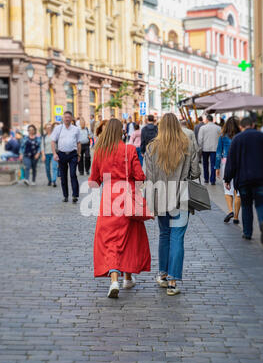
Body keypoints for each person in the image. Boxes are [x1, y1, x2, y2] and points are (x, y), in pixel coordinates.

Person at [88, 118, 151, 298]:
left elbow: (94, 181)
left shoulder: (100, 151)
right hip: (127, 198)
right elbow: (139, 176)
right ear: (121, 132)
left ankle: (114, 279)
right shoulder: (129, 149)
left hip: (109, 199)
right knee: (129, 238)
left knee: (110, 240)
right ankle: (127, 278)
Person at [145, 113, 200, 296]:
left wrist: (150, 205)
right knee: (177, 236)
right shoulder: (187, 145)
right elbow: (195, 172)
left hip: (160, 196)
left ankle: (162, 274)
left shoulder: (151, 147)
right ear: (178, 126)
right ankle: (173, 282)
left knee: (164, 235)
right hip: (180, 196)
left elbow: (150, 179)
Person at [224, 117, 263, 244]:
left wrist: (227, 178)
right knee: (261, 203)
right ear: (253, 124)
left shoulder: (236, 139)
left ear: (241, 127)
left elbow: (231, 162)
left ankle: (247, 233)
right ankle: (262, 222)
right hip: (262, 178)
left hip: (244, 179)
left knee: (246, 205)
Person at [51, 111, 81, 204]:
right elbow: (53, 141)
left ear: (72, 118)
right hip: (61, 154)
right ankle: (65, 196)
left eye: (69, 117)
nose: (67, 119)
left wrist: (79, 154)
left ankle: (75, 195)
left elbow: (78, 143)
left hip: (73, 154)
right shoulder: (58, 129)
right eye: (65, 117)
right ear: (63, 118)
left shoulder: (76, 129)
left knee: (73, 174)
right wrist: (54, 154)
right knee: (63, 176)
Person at [215, 117, 241, 224]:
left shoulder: (222, 137)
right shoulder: (240, 136)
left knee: (227, 189)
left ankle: (230, 211)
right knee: (238, 191)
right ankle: (236, 217)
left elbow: (218, 153)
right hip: (240, 164)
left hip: (226, 164)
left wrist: (217, 168)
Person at [198, 114, 221, 185]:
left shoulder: (203, 128)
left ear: (207, 120)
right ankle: (213, 180)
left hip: (205, 148)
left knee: (205, 164)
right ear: (212, 120)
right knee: (213, 164)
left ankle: (206, 179)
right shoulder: (218, 128)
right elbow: (220, 138)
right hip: (215, 148)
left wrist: (200, 148)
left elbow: (200, 139)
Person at [41, 122, 58, 187]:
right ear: (45, 129)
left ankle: (54, 181)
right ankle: (49, 180)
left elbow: (57, 144)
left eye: (50, 127)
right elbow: (42, 146)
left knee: (54, 167)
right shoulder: (44, 137)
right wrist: (43, 155)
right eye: (47, 128)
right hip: (46, 154)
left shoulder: (55, 135)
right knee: (47, 168)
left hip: (54, 153)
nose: (49, 129)